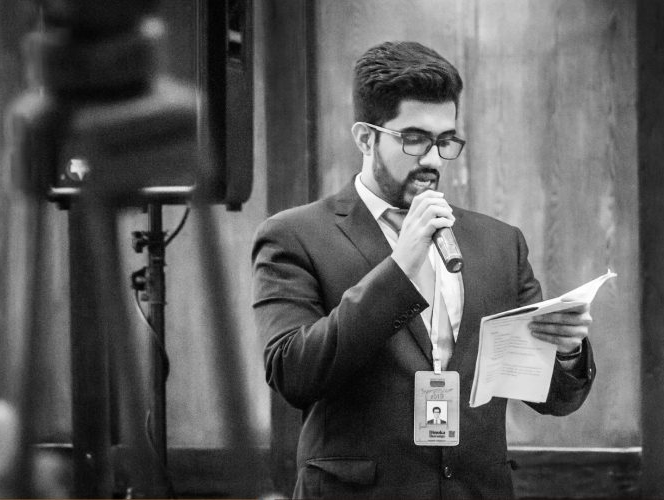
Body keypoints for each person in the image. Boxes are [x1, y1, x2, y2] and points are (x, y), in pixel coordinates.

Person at [252, 40, 597, 499]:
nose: (433, 159)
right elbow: (293, 374)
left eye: (445, 141)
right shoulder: (294, 235)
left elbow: (554, 399)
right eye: (414, 139)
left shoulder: (499, 243)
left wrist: (567, 352)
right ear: (365, 138)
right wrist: (400, 267)